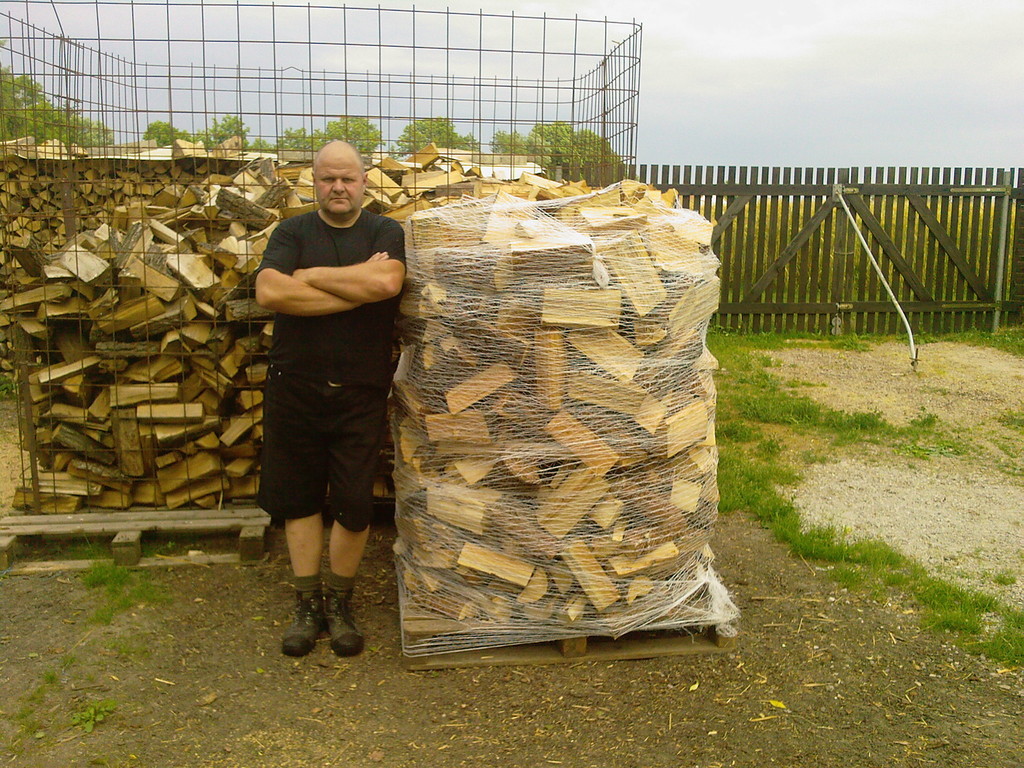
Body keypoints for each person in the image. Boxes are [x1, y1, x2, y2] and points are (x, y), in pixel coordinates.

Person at [254, 140, 406, 657]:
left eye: (347, 178)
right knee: (298, 498)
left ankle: (340, 602)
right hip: (294, 386)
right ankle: (307, 604)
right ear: (313, 181)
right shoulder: (292, 231)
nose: (337, 187)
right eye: (327, 179)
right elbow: (271, 292)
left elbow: (386, 283)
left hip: (361, 389)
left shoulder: (384, 232)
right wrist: (354, 288)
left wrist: (312, 277)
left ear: (363, 181)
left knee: (354, 503)